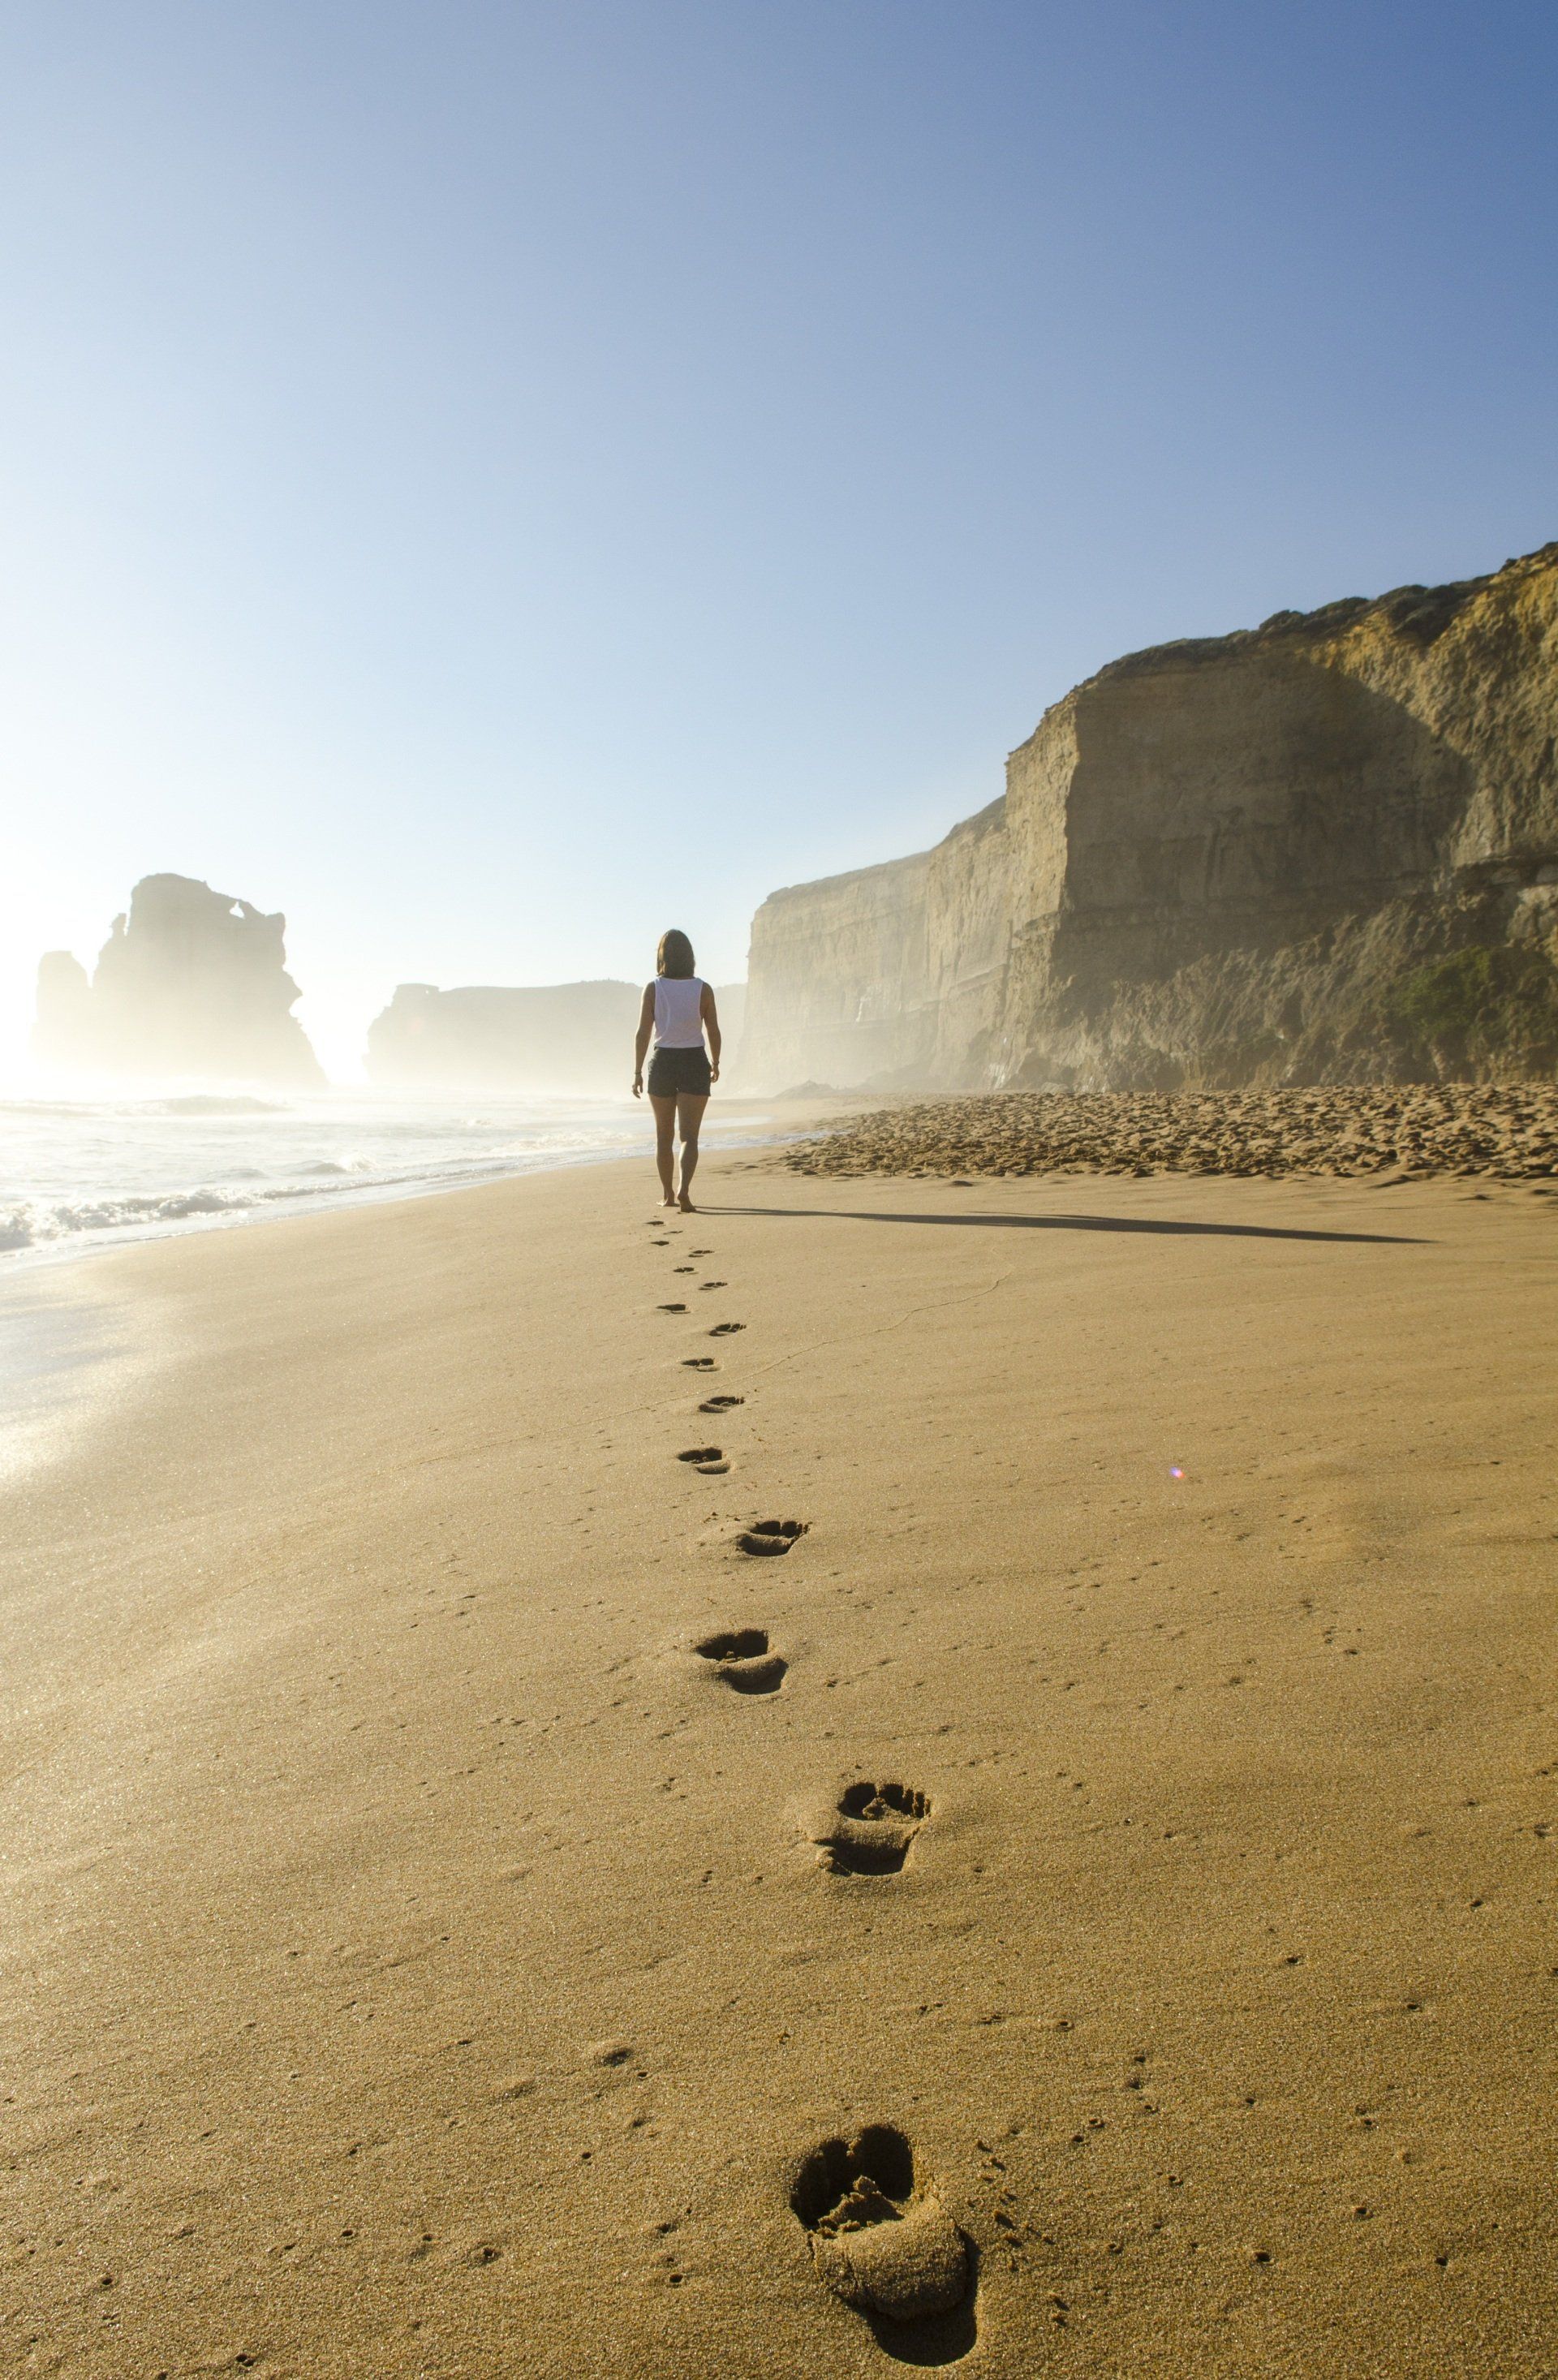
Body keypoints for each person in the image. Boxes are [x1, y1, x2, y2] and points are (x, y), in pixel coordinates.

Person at [632, 929, 721, 1212]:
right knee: (689, 1137)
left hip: (663, 1062)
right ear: (690, 956)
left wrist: (637, 1072)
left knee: (663, 1136)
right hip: (695, 1060)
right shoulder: (703, 989)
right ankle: (685, 1191)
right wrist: (716, 1062)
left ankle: (668, 1194)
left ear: (662, 956)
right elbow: (714, 1030)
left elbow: (643, 1032)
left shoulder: (654, 988)